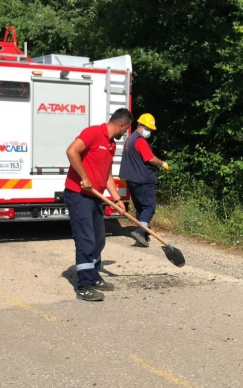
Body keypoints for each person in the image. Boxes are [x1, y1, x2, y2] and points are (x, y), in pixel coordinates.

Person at [65, 108, 132, 301]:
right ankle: (84, 285)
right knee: (85, 239)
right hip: (78, 195)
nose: (125, 133)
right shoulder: (93, 133)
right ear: (121, 125)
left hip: (95, 197)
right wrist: (84, 177)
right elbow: (71, 151)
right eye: (126, 129)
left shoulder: (110, 145)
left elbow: (108, 175)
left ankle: (93, 276)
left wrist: (117, 199)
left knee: (99, 239)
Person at [119, 113, 169, 247]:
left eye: (151, 129)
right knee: (149, 206)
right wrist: (162, 163)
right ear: (140, 126)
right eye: (148, 128)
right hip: (142, 179)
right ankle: (140, 231)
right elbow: (150, 158)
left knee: (141, 207)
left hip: (131, 179)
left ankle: (144, 235)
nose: (149, 131)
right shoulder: (140, 141)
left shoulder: (130, 139)